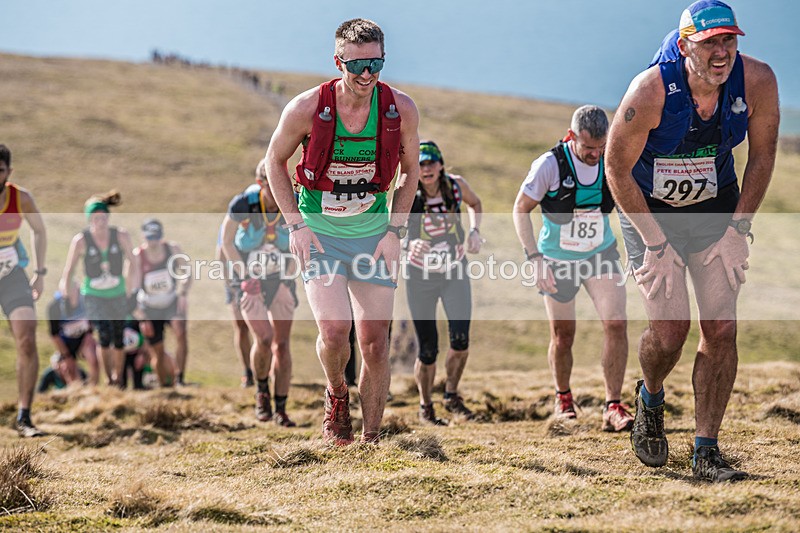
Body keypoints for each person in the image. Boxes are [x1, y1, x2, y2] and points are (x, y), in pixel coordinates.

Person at [605, 0, 779, 482]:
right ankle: (650, 397)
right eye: (709, 43)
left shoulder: (758, 81)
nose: (721, 53)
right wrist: (655, 245)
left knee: (720, 327)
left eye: (729, 40)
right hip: (650, 213)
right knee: (670, 330)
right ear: (685, 46)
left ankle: (707, 450)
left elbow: (762, 156)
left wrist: (737, 229)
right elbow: (615, 169)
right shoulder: (651, 90)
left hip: (713, 210)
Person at [265, 18, 420, 444]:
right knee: (334, 331)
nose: (367, 74)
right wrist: (295, 224)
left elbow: (410, 174)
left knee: (374, 341)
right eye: (357, 66)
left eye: (376, 63)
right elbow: (272, 164)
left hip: (374, 235)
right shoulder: (306, 108)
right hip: (319, 232)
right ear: (339, 62)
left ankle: (370, 439)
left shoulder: (399, 108)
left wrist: (395, 232)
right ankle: (336, 393)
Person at [513, 106, 633, 432]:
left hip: (600, 255)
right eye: (588, 148)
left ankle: (613, 405)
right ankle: (563, 398)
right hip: (557, 259)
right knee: (564, 336)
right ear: (572, 136)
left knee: (616, 323)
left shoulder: (611, 158)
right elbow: (520, 209)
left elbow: (631, 204)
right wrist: (535, 259)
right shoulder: (549, 164)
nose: (595, 154)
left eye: (600, 147)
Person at [405, 140, 483, 425]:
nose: (426, 169)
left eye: (430, 163)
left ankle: (451, 395)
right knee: (427, 350)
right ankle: (426, 406)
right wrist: (407, 245)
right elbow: (389, 226)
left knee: (460, 341)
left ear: (440, 165)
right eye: (421, 163)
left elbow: (476, 204)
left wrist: (474, 231)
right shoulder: (407, 190)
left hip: (454, 272)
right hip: (419, 277)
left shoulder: (455, 185)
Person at [221, 159, 298, 427]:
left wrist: (290, 274)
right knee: (263, 339)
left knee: (282, 344)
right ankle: (261, 391)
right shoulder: (243, 205)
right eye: (270, 182)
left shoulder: (296, 202)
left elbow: (303, 242)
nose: (277, 187)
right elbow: (227, 243)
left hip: (280, 278)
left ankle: (281, 408)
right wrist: (242, 275)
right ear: (260, 183)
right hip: (249, 279)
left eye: (281, 181)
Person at [60, 191, 139, 388]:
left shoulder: (120, 235)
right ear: (89, 219)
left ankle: (119, 378)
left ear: (108, 217)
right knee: (103, 335)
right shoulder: (81, 240)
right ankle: (108, 379)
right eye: (95, 218)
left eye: (103, 217)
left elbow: (133, 261)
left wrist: (132, 289)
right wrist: (67, 294)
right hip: (94, 295)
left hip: (118, 292)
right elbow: (69, 271)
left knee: (119, 336)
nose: (100, 222)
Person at [0, 144, 48, 437]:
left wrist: (40, 273)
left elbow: (40, 230)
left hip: (10, 274)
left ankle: (24, 417)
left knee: (27, 337)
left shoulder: (21, 198)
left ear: (9, 171)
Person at [133, 218, 190, 386]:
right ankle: (163, 385)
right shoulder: (138, 256)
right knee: (157, 351)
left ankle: (180, 378)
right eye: (149, 237)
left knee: (181, 332)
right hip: (149, 307)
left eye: (156, 237)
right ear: (143, 237)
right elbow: (132, 287)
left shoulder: (172, 249)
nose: (153, 241)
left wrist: (183, 293)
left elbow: (187, 273)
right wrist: (141, 317)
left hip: (172, 302)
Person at [216, 226, 255, 388]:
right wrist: (230, 285)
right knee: (241, 326)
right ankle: (247, 372)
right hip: (235, 281)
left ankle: (269, 368)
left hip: (262, 276)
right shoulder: (230, 222)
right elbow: (220, 256)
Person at [47, 281, 100, 386]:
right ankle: (76, 391)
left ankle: (93, 388)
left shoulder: (86, 302)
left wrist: (89, 335)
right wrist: (66, 355)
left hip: (83, 338)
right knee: (69, 369)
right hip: (66, 343)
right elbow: (54, 335)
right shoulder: (54, 308)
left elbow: (92, 323)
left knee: (94, 359)